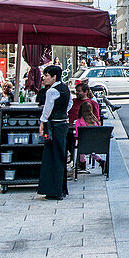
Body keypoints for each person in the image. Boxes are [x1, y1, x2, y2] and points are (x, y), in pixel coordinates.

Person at [37, 65, 72, 200]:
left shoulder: (51, 91)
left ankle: (53, 190)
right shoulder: (65, 88)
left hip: (53, 125)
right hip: (63, 124)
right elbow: (69, 105)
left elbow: (47, 110)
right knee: (60, 155)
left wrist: (42, 123)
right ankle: (60, 189)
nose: (44, 78)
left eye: (46, 76)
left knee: (51, 156)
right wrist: (63, 113)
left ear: (54, 77)